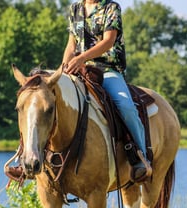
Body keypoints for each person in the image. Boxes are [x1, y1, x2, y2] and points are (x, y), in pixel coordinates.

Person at [62, 0, 151, 183]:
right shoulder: (75, 9)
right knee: (51, 99)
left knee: (125, 105)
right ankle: (34, 157)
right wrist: (63, 68)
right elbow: (71, 45)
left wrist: (82, 58)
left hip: (107, 70)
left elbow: (108, 41)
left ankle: (142, 157)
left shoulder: (111, 8)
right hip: (78, 70)